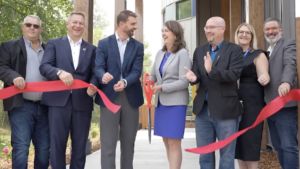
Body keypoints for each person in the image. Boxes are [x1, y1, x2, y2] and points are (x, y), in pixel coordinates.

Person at [39, 12, 96, 169]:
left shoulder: (91, 49)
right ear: (67, 24)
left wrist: (93, 86)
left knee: (80, 147)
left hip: (83, 103)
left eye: (81, 23)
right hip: (57, 103)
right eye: (74, 22)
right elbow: (44, 66)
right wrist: (59, 72)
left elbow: (95, 74)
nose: (77, 26)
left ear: (84, 27)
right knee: (57, 146)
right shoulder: (54, 44)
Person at [185, 16, 243, 169]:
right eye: (206, 27)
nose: (208, 30)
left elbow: (234, 75)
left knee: (227, 155)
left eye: (212, 27)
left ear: (222, 29)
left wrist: (212, 71)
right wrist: (193, 77)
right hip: (203, 111)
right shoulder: (200, 50)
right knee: (204, 155)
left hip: (226, 111)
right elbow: (197, 74)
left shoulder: (234, 50)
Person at [94, 10, 144, 169]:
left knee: (128, 145)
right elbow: (98, 67)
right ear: (122, 24)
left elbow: (137, 71)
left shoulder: (138, 47)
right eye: (132, 24)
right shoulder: (103, 43)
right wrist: (103, 75)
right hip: (109, 97)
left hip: (131, 98)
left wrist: (124, 81)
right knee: (108, 145)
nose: (135, 27)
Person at [0, 15, 49, 169]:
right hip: (21, 106)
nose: (32, 28)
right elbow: (1, 67)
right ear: (23, 27)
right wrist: (14, 76)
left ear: (41, 29)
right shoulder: (9, 46)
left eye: (36, 26)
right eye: (28, 25)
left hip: (45, 107)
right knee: (21, 149)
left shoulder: (49, 49)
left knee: (44, 151)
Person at [150, 20, 191, 169]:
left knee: (174, 141)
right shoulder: (160, 53)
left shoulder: (183, 53)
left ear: (176, 34)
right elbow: (153, 75)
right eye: (162, 31)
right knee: (166, 141)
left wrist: (162, 87)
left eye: (166, 31)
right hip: (161, 103)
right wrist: (148, 80)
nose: (163, 33)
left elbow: (184, 82)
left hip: (176, 104)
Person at [263, 17, 298, 169]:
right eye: (267, 30)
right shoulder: (266, 51)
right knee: (278, 145)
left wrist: (286, 82)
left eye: (274, 28)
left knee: (288, 145)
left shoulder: (287, 44)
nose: (271, 32)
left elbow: (290, 64)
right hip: (270, 106)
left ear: (281, 30)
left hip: (285, 105)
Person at [234, 23, 270, 169]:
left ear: (252, 36)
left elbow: (264, 73)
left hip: (253, 105)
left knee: (250, 141)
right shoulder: (231, 54)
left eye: (247, 33)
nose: (244, 35)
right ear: (236, 35)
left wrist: (265, 77)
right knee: (238, 143)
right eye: (241, 32)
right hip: (234, 104)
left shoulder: (258, 54)